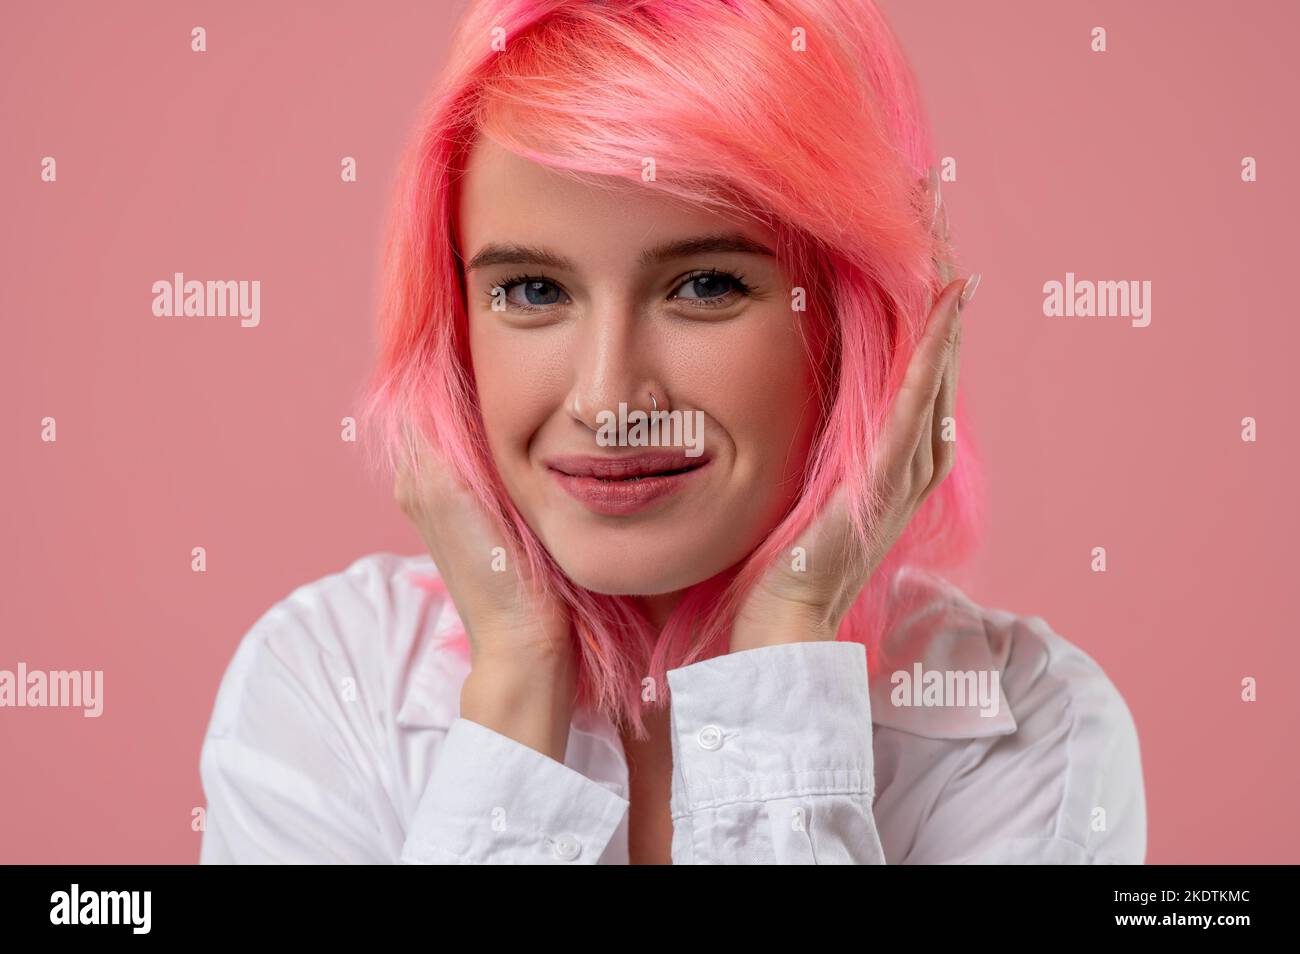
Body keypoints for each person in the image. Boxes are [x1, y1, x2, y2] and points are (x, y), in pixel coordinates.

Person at [199, 0, 1145, 864]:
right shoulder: (325, 688)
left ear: (855, 323)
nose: (610, 398)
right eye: (532, 291)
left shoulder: (1027, 730)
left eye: (705, 286)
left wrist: (785, 651)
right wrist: (517, 691)